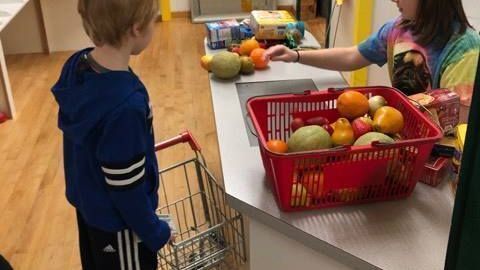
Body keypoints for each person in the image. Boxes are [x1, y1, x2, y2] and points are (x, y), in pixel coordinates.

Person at [51, 0, 171, 269]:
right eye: (154, 20)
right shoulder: (125, 108)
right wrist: (156, 231)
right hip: (121, 228)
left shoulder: (77, 65)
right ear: (137, 29)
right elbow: (126, 189)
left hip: (90, 209)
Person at [265, 0, 480, 122]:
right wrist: (297, 56)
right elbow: (352, 56)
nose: (393, 0)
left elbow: (457, 121)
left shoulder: (465, 50)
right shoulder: (400, 28)